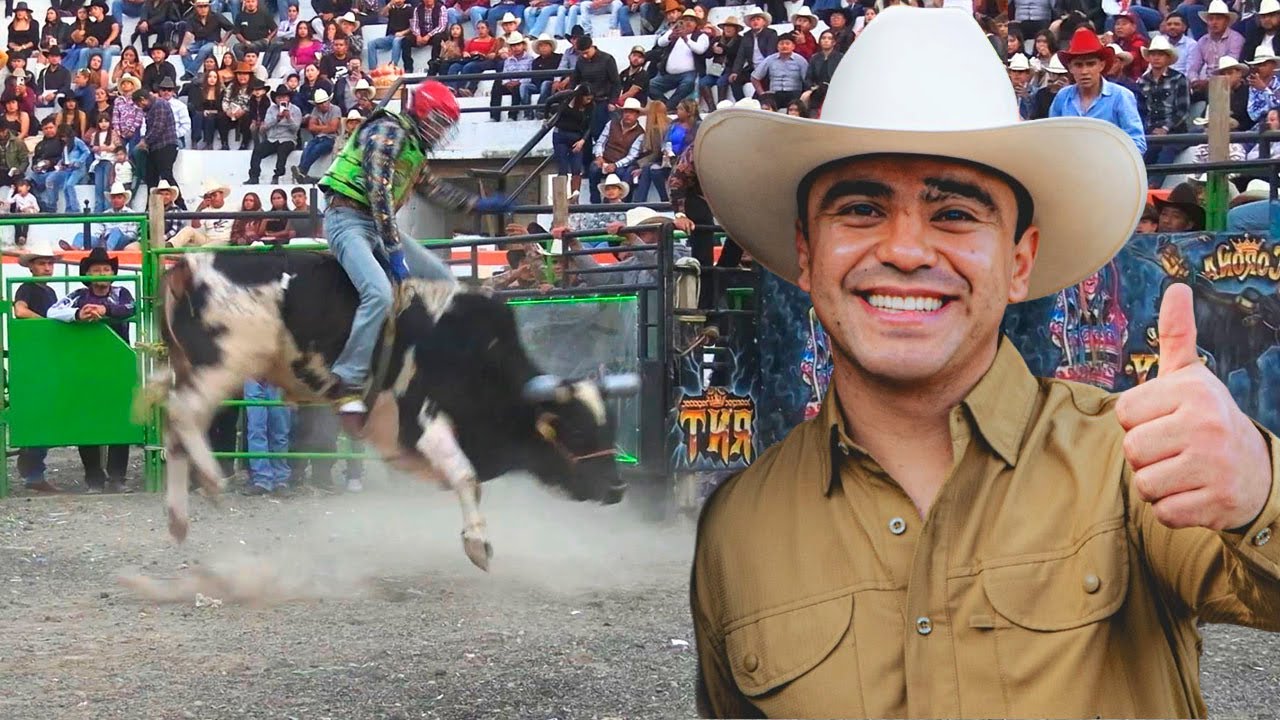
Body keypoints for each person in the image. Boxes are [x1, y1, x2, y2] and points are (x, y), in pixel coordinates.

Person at [689, 7, 1280, 719]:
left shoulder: (1131, 466)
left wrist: (1258, 489)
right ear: (808, 255)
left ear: (1020, 261)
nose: (906, 249)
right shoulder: (735, 530)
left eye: (956, 215)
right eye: (860, 209)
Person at [316, 79, 511, 425]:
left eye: (445, 126)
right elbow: (378, 194)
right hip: (346, 219)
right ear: (422, 113)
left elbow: (432, 189)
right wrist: (395, 253)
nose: (441, 131)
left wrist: (477, 204)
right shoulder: (387, 132)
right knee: (377, 292)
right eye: (438, 122)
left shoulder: (414, 150)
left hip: (376, 225)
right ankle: (347, 377)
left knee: (443, 280)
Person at [12, 238, 65, 494]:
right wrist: (47, 324)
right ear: (31, 267)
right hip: (35, 358)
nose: (47, 267)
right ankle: (34, 473)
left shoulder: (49, 291)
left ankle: (33, 467)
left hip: (40, 357)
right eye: (42, 263)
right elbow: (20, 312)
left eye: (49, 263)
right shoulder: (27, 288)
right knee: (40, 414)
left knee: (43, 413)